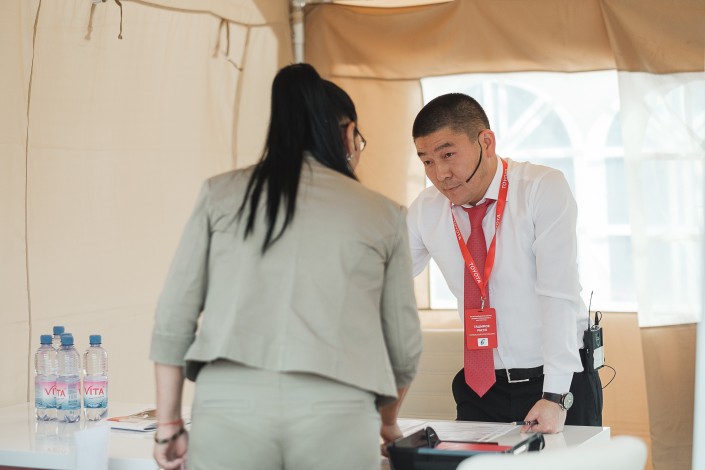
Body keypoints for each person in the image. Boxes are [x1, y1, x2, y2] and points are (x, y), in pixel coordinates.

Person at [149, 63, 422, 470]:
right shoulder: (383, 214)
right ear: (348, 133)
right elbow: (404, 346)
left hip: (229, 405)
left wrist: (168, 424)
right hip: (338, 408)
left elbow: (173, 318)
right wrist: (386, 420)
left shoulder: (220, 194)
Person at [407, 93, 602, 434]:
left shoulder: (541, 188)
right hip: (481, 386)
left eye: (448, 155)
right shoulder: (427, 208)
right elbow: (386, 278)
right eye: (426, 162)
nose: (440, 174)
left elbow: (557, 294)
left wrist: (555, 396)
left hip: (556, 381)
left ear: (486, 142)